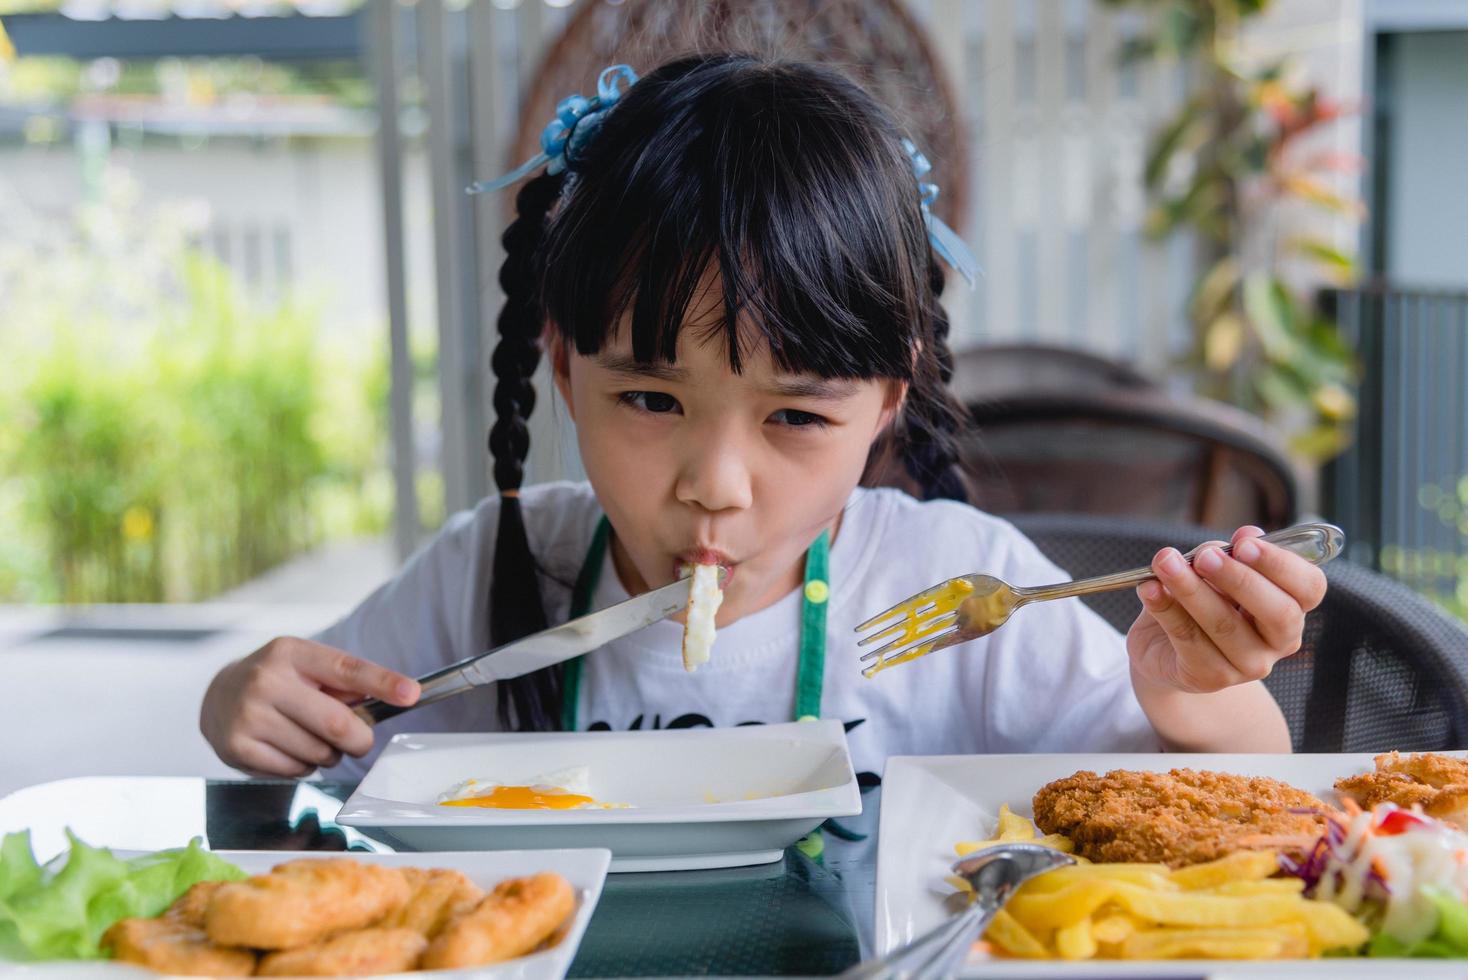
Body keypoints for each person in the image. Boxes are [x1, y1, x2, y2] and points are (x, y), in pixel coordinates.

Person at [200, 54, 1325, 783]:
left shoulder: (957, 590)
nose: (716, 482)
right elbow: (301, 762)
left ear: (887, 398)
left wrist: (1197, 692)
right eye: (649, 398)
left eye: (793, 415)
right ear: (561, 366)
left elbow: (1219, 798)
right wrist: (244, 705)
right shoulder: (484, 575)